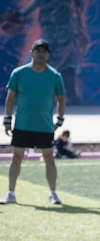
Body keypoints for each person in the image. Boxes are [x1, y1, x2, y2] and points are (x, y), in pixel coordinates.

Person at [1, 38, 66, 205]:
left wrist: (59, 119)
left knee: (49, 158)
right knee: (16, 157)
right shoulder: (19, 73)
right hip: (22, 125)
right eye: (38, 51)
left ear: (48, 55)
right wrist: (7, 119)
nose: (41, 54)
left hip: (44, 126)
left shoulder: (55, 76)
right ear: (32, 53)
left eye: (44, 52)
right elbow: (10, 97)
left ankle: (53, 193)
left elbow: (61, 99)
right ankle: (10, 193)